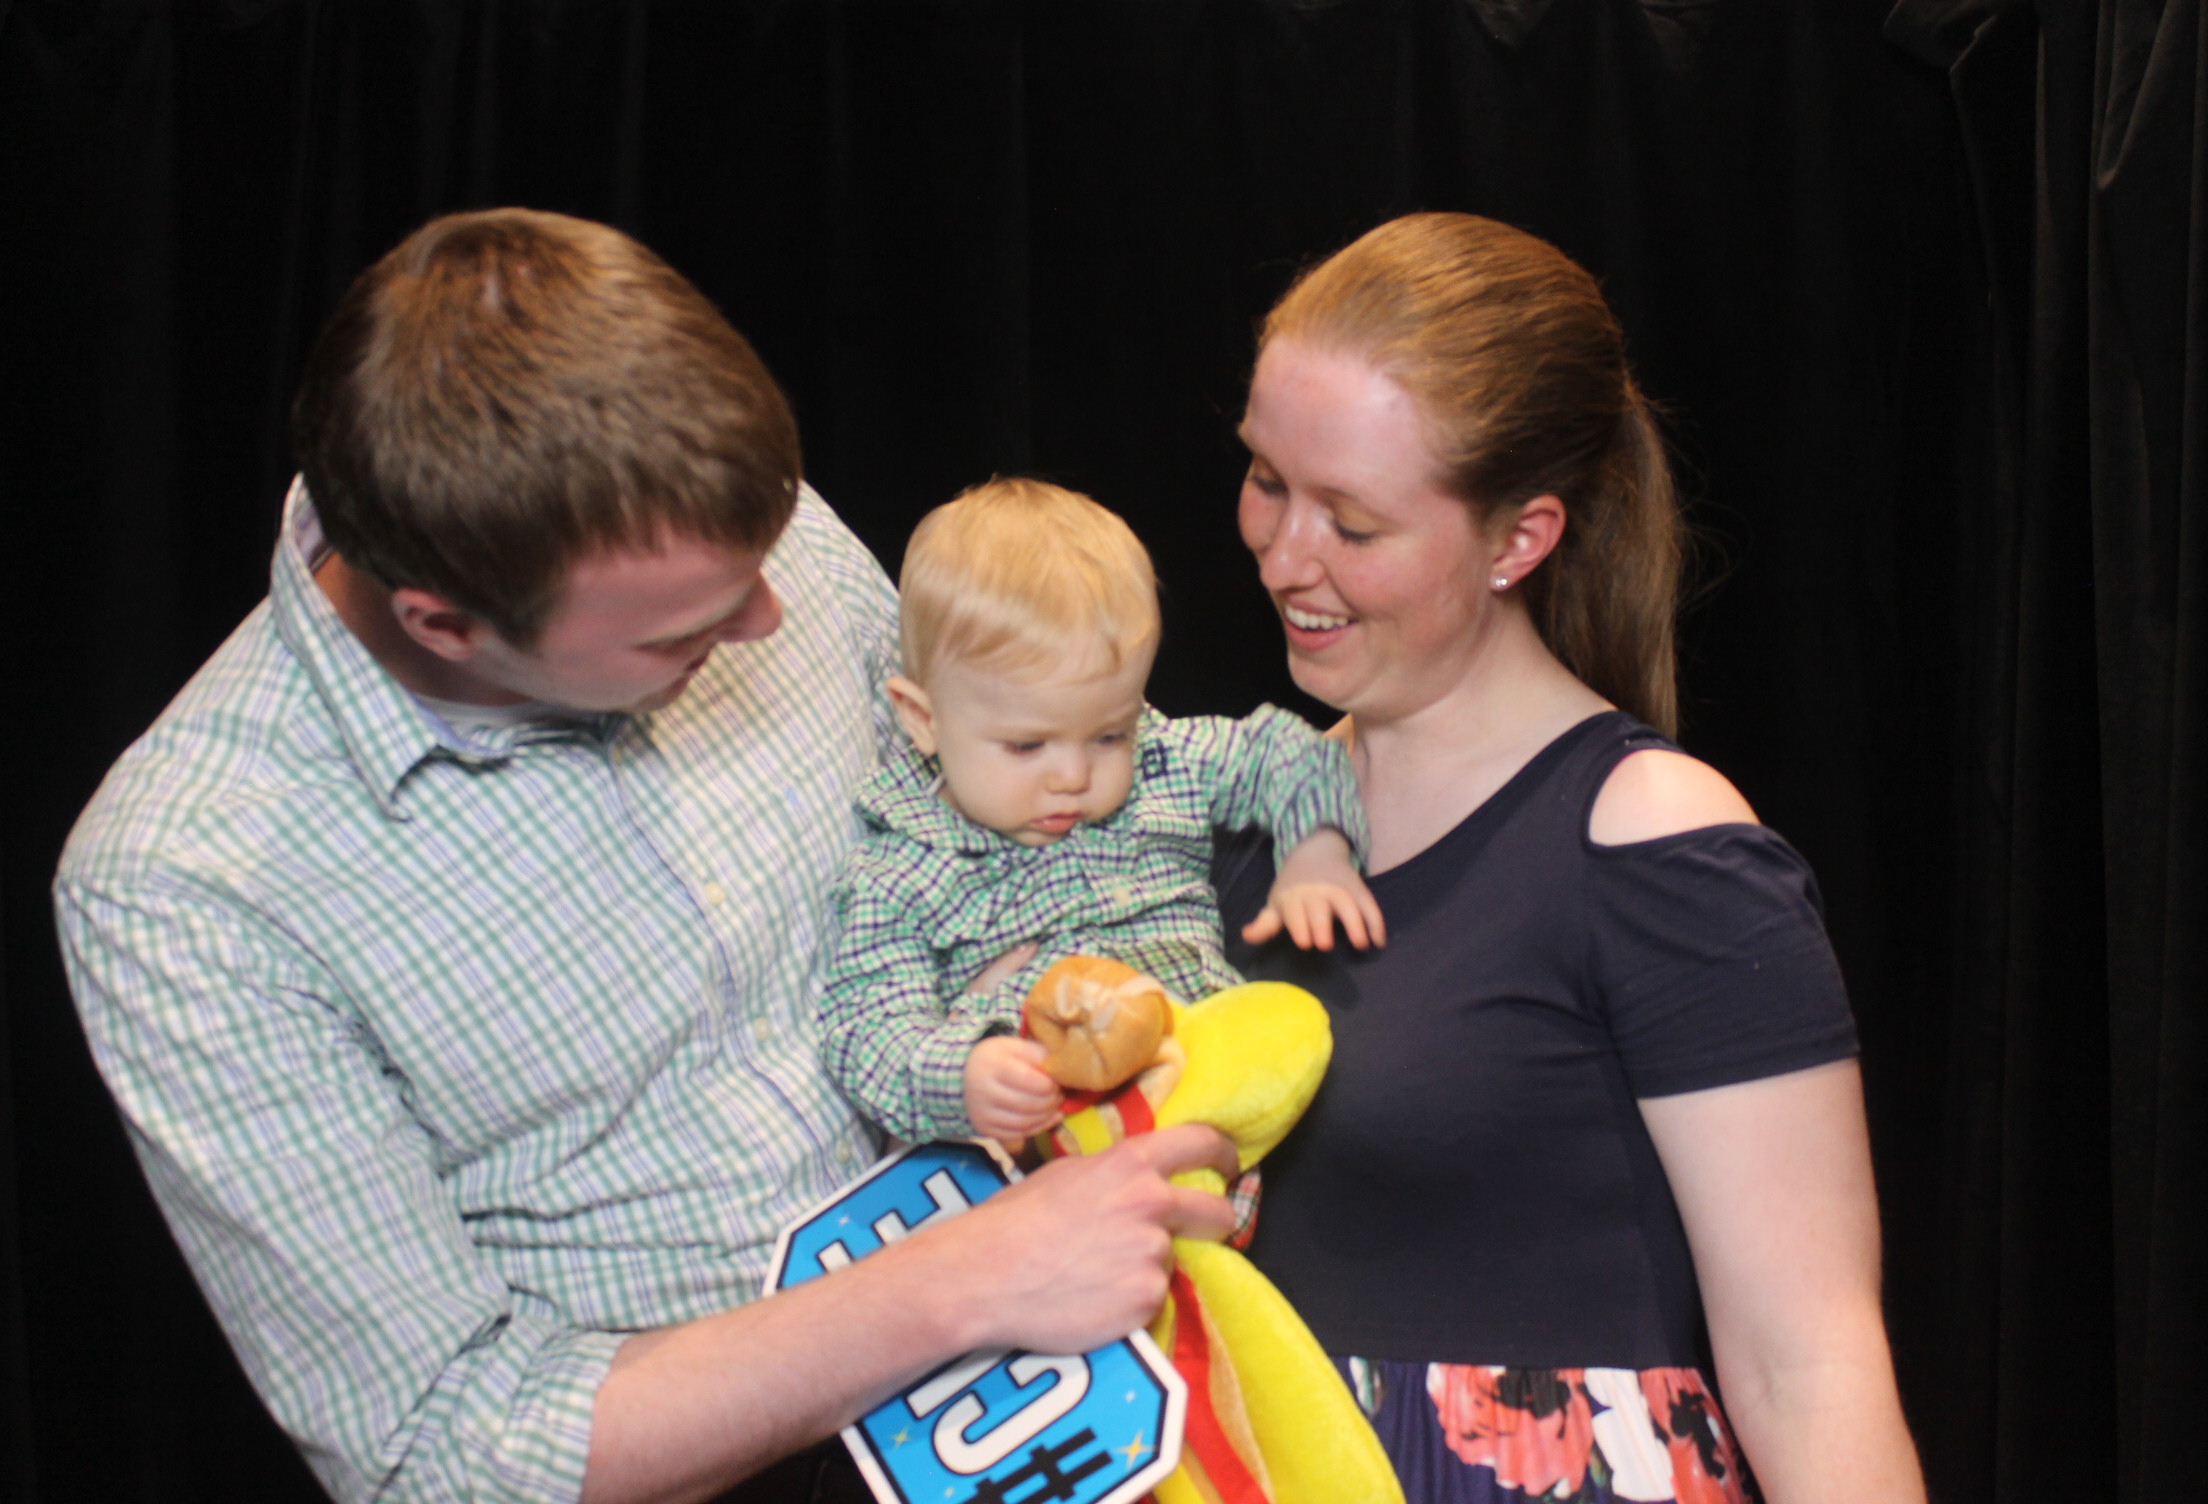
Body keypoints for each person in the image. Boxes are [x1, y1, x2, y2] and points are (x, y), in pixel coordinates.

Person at [52, 208, 1234, 1504]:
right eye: (685, 634)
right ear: (442, 623)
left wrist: (1153, 1097)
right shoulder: (188, 885)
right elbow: (440, 1455)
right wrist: (964, 1281)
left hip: (1095, 1325)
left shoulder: (694, 530)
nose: (774, 617)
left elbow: (1002, 837)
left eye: (767, 557)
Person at [1212, 213, 1926, 1503]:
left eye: (1353, 521)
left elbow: (1808, 1359)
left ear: (1519, 540)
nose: (1283, 553)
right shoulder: (1228, 811)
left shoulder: (1653, 839)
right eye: (1267, 479)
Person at [813, 477, 1382, 1147]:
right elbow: (864, 1026)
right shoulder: (900, 873)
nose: (1074, 776)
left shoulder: (1159, 763)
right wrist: (964, 1075)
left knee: (1304, 1031)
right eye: (1027, 745)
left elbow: (1280, 751)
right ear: (922, 718)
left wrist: (1316, 849)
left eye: (1108, 734)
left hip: (1207, 1093)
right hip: (1049, 1158)